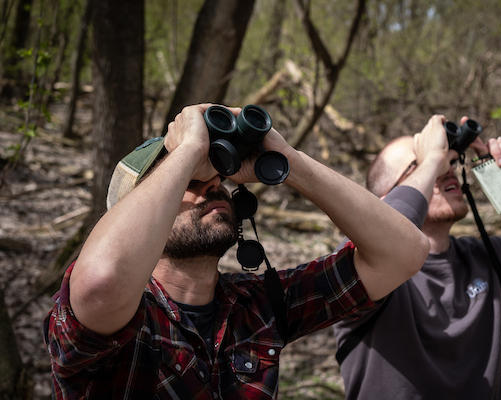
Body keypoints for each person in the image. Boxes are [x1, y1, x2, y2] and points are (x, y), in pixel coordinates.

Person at [43, 103, 430, 399]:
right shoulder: (116, 317)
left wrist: (289, 161)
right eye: (188, 179)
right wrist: (186, 150)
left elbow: (404, 251)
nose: (212, 186)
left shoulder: (258, 305)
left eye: (216, 176)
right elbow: (100, 281)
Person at [333, 114, 501, 399]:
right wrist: (432, 160)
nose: (445, 168)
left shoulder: (489, 261)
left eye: (446, 160)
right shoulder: (366, 266)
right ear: (385, 200)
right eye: (418, 164)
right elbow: (376, 238)